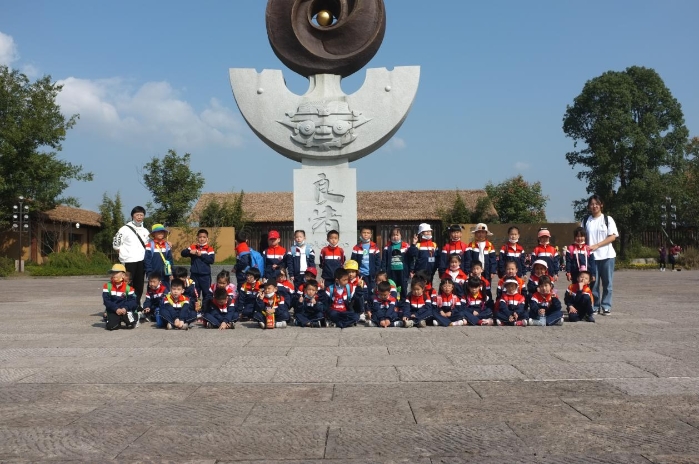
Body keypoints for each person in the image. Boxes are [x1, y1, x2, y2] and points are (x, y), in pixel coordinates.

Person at [582, 194, 619, 315]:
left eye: (597, 204)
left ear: (601, 205)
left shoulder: (608, 219)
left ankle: (606, 305)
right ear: (589, 206)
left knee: (607, 282)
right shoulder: (586, 220)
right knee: (594, 282)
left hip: (607, 255)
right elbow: (581, 237)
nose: (594, 206)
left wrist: (597, 245)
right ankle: (595, 305)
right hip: (591, 257)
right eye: (592, 204)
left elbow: (612, 237)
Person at [112, 206, 150, 307]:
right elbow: (116, 244)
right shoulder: (124, 229)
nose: (139, 217)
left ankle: (136, 306)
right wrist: (123, 255)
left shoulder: (145, 231)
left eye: (141, 215)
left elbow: (150, 244)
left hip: (141, 261)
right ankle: (126, 305)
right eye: (137, 215)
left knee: (139, 284)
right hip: (129, 261)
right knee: (127, 283)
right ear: (132, 216)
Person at [180, 228, 215, 300]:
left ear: (207, 239)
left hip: (205, 276)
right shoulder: (193, 247)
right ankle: (195, 307)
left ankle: (205, 307)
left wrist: (201, 255)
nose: (202, 239)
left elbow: (211, 260)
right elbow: (183, 253)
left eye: (204, 237)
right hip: (194, 275)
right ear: (197, 238)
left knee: (207, 294)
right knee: (194, 294)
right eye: (200, 237)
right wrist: (189, 252)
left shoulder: (209, 248)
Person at [103, 264, 138, 331]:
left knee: (131, 325)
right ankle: (114, 319)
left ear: (123, 275)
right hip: (114, 310)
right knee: (111, 327)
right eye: (112, 273)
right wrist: (116, 309)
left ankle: (134, 316)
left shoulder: (129, 288)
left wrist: (125, 308)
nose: (114, 274)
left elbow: (133, 301)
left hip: (125, 310)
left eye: (116, 272)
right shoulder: (107, 286)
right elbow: (106, 301)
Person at [350, 227, 381, 303]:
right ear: (360, 234)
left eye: (368, 233)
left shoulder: (375, 247)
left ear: (371, 235)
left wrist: (376, 272)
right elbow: (353, 261)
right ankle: (362, 307)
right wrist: (356, 271)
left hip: (371, 275)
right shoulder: (356, 247)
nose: (366, 234)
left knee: (371, 292)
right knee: (361, 291)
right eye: (364, 233)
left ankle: (370, 307)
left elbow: (378, 261)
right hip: (360, 275)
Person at [381, 227, 409, 300]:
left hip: (402, 271)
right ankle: (393, 302)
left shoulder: (406, 246)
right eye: (393, 235)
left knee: (403, 288)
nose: (395, 237)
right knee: (392, 288)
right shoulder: (387, 247)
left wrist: (411, 270)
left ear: (401, 236)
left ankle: (403, 303)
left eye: (397, 235)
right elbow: (384, 260)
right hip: (391, 271)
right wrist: (384, 271)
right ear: (390, 236)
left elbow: (410, 259)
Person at [144, 224, 174, 291]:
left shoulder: (167, 246)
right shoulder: (149, 246)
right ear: (154, 234)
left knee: (166, 293)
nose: (160, 233)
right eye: (158, 232)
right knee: (153, 293)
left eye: (162, 232)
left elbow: (170, 260)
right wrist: (149, 273)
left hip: (165, 275)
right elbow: (147, 261)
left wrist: (172, 272)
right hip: (154, 275)